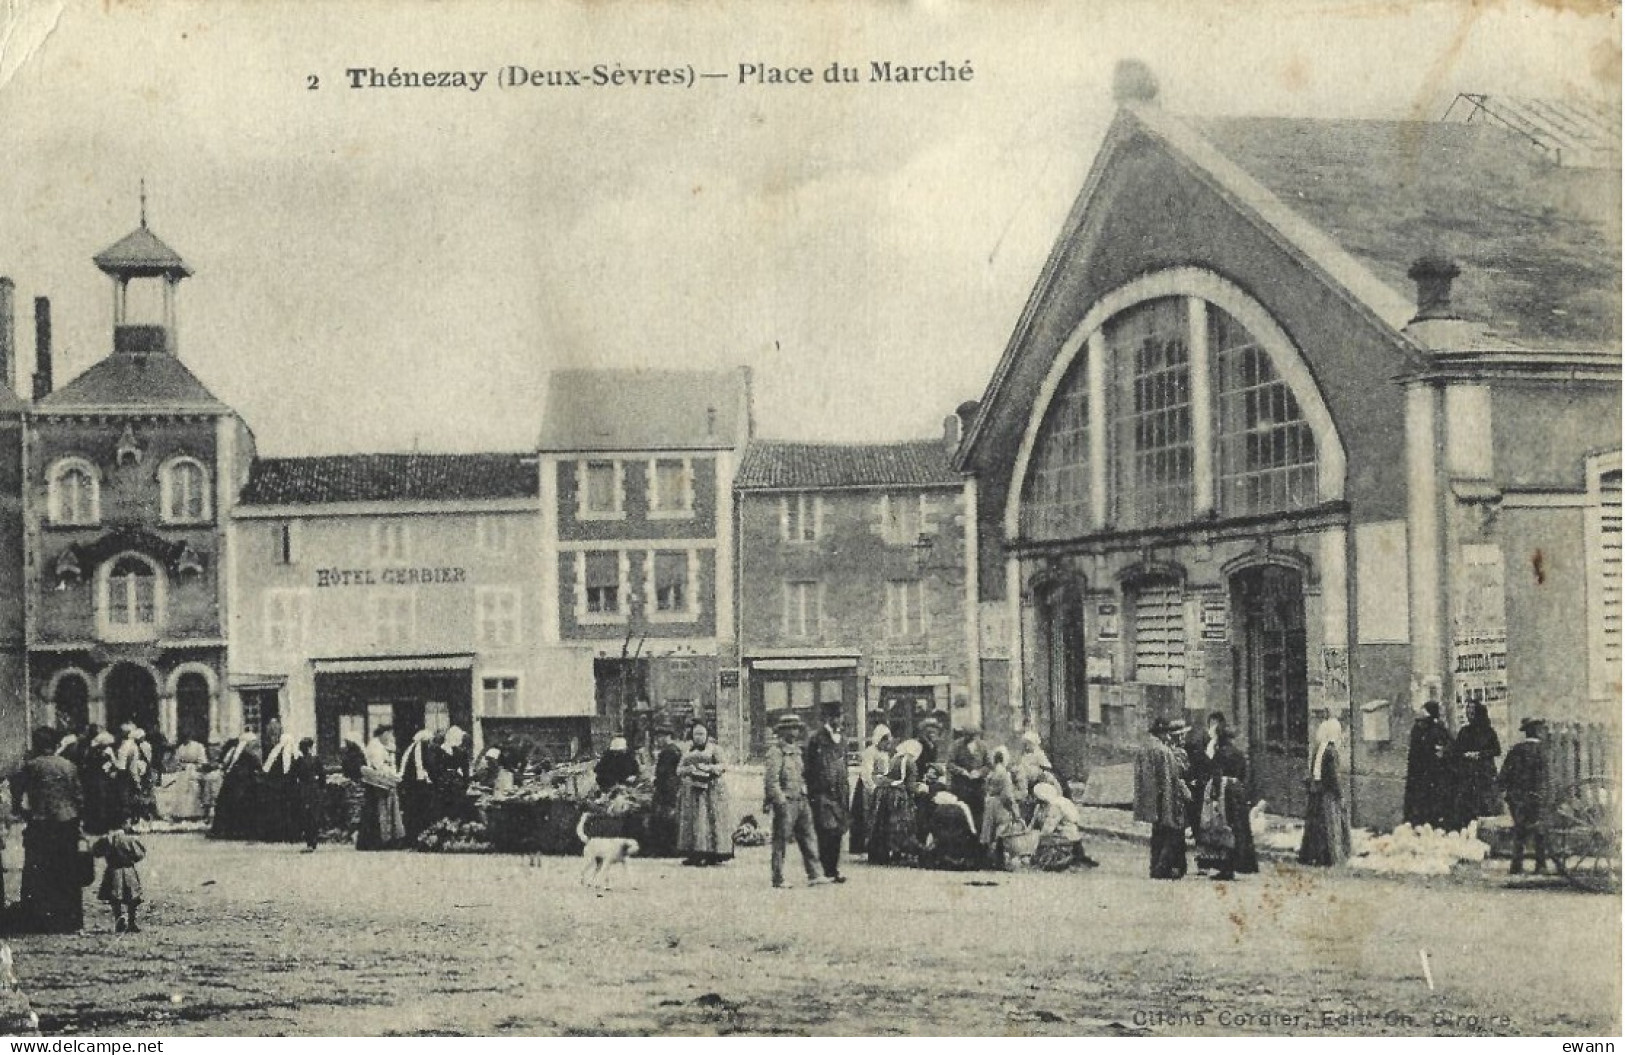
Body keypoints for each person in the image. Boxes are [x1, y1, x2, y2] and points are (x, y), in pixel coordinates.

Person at [10, 727, 86, 933]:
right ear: (55, 744)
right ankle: (71, 921)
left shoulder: (31, 766)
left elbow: (16, 789)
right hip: (67, 823)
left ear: (36, 744)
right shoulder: (69, 766)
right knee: (68, 871)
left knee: (39, 871)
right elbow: (79, 797)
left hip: (41, 823)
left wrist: (21, 810)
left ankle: (39, 920)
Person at [1194, 715, 1258, 880]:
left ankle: (1225, 867)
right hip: (1237, 792)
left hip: (1224, 792)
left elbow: (1215, 775)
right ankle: (1238, 864)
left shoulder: (1220, 754)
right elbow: (1245, 775)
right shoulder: (1238, 753)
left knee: (1222, 828)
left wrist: (1213, 798)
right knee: (1237, 828)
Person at [764, 713, 822, 888]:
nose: (795, 732)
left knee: (808, 837)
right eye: (791, 728)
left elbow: (802, 775)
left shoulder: (797, 751)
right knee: (781, 840)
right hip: (786, 801)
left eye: (797, 728)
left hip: (800, 799)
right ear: (783, 731)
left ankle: (814, 874)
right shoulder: (776, 752)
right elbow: (771, 781)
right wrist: (780, 801)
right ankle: (778, 877)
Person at [1134, 719, 1189, 880]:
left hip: (1151, 800)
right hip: (1166, 798)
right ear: (1163, 734)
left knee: (1157, 832)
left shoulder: (1144, 749)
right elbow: (1169, 778)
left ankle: (1155, 866)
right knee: (1170, 833)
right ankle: (1163, 868)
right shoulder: (1164, 752)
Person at [803, 702, 849, 883]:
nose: (839, 720)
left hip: (839, 792)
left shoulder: (842, 739)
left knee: (837, 831)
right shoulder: (816, 739)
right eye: (835, 717)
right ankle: (823, 870)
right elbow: (809, 767)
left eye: (840, 716)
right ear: (828, 718)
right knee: (825, 831)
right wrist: (813, 791)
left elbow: (843, 765)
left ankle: (833, 869)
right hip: (821, 792)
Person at [675, 724, 732, 866]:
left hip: (711, 791)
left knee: (709, 822)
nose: (699, 737)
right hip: (692, 790)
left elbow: (724, 765)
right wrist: (688, 770)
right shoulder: (687, 750)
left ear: (707, 735)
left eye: (701, 734)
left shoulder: (715, 749)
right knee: (692, 823)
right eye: (696, 734)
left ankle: (711, 853)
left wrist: (710, 768)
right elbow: (679, 769)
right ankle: (694, 853)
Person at [1299, 717, 1352, 866]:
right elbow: (1333, 776)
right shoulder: (1331, 751)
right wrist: (1340, 795)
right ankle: (1327, 857)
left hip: (1315, 791)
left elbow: (1314, 770)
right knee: (1329, 827)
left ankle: (1311, 855)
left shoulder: (1318, 748)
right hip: (1326, 794)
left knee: (1314, 826)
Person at [1499, 717, 1549, 875]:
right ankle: (1540, 865)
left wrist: (1504, 790)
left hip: (1517, 796)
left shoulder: (1515, 750)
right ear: (1536, 730)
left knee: (1519, 830)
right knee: (1539, 830)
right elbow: (1545, 776)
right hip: (1536, 796)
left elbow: (1504, 773)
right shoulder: (1543, 751)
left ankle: (1516, 866)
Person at [868, 739, 924, 866]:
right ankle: (897, 853)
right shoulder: (910, 763)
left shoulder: (894, 759)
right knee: (900, 825)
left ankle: (881, 853)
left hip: (883, 794)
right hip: (898, 796)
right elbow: (910, 786)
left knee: (883, 824)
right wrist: (921, 788)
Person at [1449, 703, 1503, 832]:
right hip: (1468, 774)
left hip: (1484, 774)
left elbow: (1496, 750)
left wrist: (1480, 754)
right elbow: (1456, 750)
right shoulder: (1464, 731)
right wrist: (1464, 755)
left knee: (1484, 806)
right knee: (1467, 806)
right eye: (1467, 713)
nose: (1469, 716)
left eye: (1472, 713)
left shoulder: (1489, 732)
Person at [1403, 700, 1453, 830]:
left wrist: (1443, 753)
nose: (1421, 723)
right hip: (1420, 775)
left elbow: (1449, 748)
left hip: (1433, 776)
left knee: (1432, 806)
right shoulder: (1418, 730)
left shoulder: (1438, 730)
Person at [1031, 781, 1100, 871]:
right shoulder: (1063, 801)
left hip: (1064, 835)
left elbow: (1049, 827)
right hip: (1074, 834)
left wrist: (1036, 839)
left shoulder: (1055, 806)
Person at [357, 726, 405, 851]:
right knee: (379, 812)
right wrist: (389, 770)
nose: (390, 737)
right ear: (383, 734)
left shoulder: (385, 746)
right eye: (388, 734)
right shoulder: (375, 746)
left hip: (385, 782)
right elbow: (378, 766)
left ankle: (388, 839)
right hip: (377, 784)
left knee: (388, 811)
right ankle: (379, 840)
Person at [92, 823, 147, 933]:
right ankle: (132, 923)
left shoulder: (106, 840)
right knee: (132, 898)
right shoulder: (130, 839)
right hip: (128, 870)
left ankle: (119, 920)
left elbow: (96, 852)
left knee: (115, 898)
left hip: (113, 870)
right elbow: (140, 854)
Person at [209, 731, 262, 840]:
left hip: (230, 784)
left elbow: (225, 764)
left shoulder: (234, 752)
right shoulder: (249, 756)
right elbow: (257, 768)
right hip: (243, 786)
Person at [850, 724, 890, 855]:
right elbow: (867, 772)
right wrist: (872, 787)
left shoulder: (885, 754)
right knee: (865, 814)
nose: (886, 744)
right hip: (868, 786)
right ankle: (861, 845)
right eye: (884, 740)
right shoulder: (870, 752)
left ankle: (875, 844)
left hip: (881, 786)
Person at [980, 746, 1021, 869]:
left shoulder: (991, 773)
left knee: (988, 831)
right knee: (1002, 830)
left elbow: (986, 788)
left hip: (990, 802)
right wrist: (1014, 811)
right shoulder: (1004, 773)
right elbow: (1007, 795)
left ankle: (987, 860)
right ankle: (999, 861)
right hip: (1001, 804)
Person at [395, 729, 437, 844]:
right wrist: (435, 778)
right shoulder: (422, 748)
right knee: (419, 811)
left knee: (411, 811)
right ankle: (418, 838)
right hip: (417, 784)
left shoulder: (412, 747)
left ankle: (410, 837)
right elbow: (428, 764)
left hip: (410, 784)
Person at [947, 726, 990, 832]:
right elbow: (949, 764)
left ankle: (978, 842)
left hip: (978, 788)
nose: (972, 739)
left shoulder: (983, 746)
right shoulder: (956, 746)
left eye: (974, 736)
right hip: (961, 787)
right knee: (962, 815)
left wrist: (979, 772)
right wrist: (962, 771)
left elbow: (989, 765)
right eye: (968, 736)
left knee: (979, 816)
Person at [260, 733, 300, 842]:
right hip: (290, 789)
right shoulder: (295, 755)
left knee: (277, 812)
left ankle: (275, 836)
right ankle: (291, 836)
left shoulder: (274, 754)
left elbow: (266, 770)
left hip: (276, 790)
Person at [160, 734, 210, 821]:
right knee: (180, 787)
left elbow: (203, 761)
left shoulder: (198, 746)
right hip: (182, 772)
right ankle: (181, 813)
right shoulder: (181, 748)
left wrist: (195, 766)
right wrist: (180, 766)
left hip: (194, 770)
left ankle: (195, 813)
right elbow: (177, 761)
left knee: (193, 788)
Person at [650, 726, 682, 856]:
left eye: (660, 737)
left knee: (663, 818)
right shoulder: (675, 750)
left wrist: (656, 782)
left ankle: (665, 849)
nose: (658, 740)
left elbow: (663, 772)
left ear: (667, 737)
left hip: (666, 789)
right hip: (672, 787)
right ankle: (670, 848)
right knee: (669, 818)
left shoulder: (667, 752)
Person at [290, 738, 325, 852]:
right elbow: (322, 776)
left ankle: (309, 841)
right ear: (310, 747)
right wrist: (321, 788)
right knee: (314, 815)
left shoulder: (298, 761)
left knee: (306, 816)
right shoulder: (316, 760)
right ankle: (313, 841)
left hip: (303, 790)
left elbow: (293, 776)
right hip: (314, 790)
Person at [433, 726, 472, 823]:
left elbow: (435, 769)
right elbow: (466, 771)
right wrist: (465, 784)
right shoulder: (462, 752)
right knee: (456, 810)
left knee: (444, 811)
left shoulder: (438, 751)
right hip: (456, 782)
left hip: (442, 782)